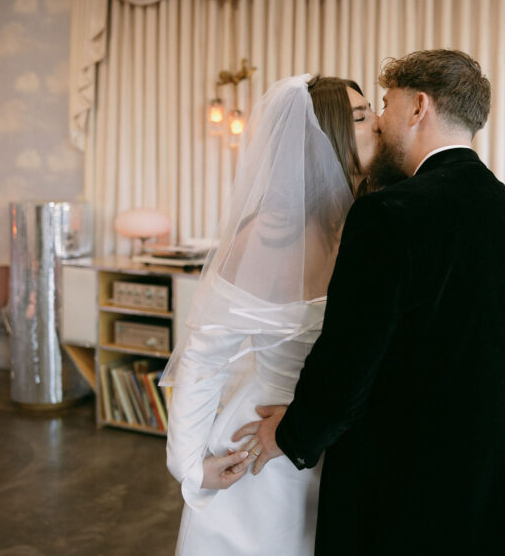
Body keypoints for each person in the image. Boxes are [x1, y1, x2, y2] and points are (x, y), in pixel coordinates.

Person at [234, 50, 505, 555]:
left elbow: (349, 360)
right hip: (504, 495)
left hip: (407, 503)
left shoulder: (387, 215)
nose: (380, 123)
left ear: (418, 107)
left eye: (385, 104)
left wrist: (293, 434)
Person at [161, 74, 376, 555]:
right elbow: (205, 358)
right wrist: (190, 465)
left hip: (337, 442)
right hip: (262, 442)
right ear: (326, 138)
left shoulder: (367, 222)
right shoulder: (264, 235)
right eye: (362, 117)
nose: (379, 123)